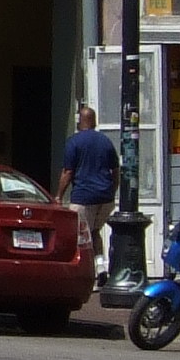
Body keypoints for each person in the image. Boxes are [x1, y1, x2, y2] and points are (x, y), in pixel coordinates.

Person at [56, 101, 120, 253]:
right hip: (105, 199)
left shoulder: (74, 142)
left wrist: (59, 196)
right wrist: (111, 191)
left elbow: (68, 172)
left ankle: (83, 264)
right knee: (95, 232)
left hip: (83, 198)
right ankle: (100, 263)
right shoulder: (105, 141)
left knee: (80, 236)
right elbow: (116, 171)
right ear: (94, 121)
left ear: (80, 122)